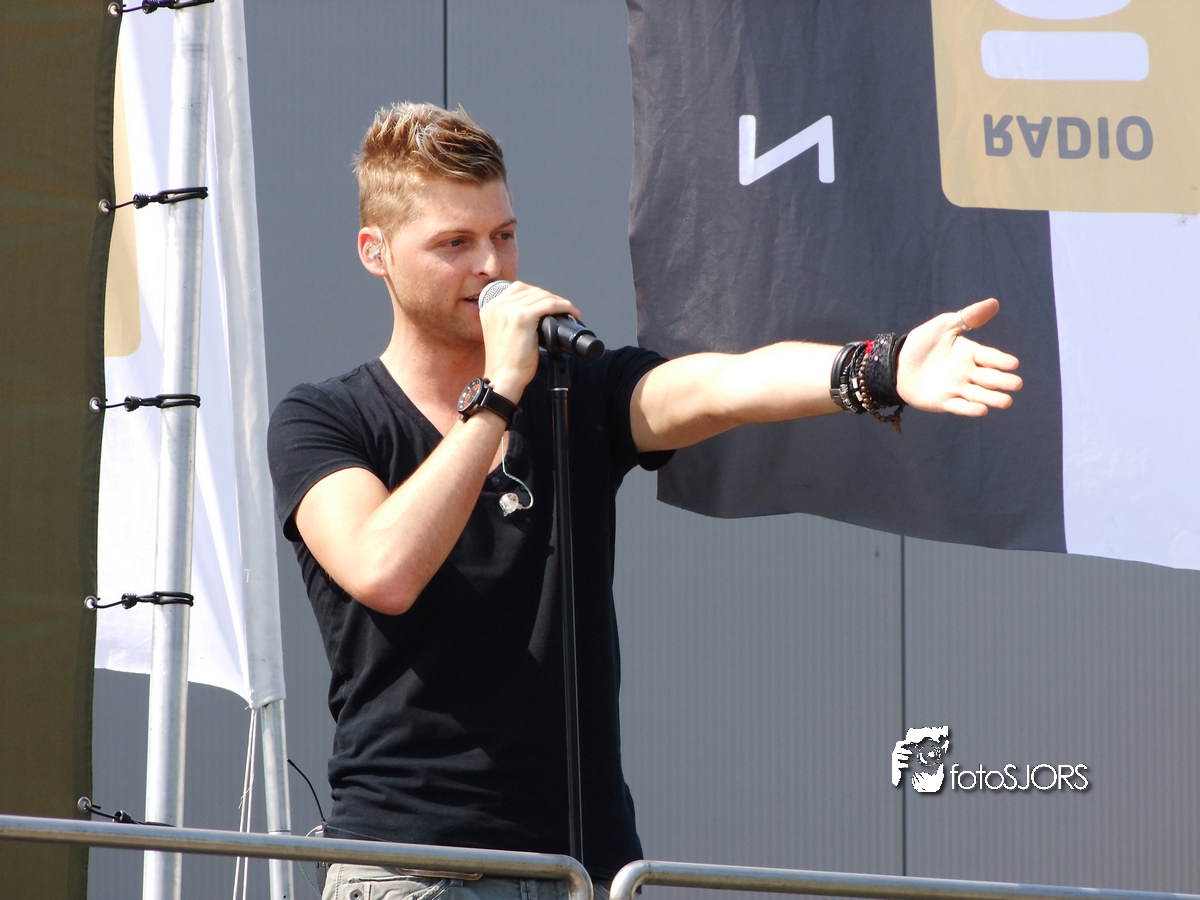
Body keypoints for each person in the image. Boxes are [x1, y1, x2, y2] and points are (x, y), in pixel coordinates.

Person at [267, 102, 1022, 900]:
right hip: (412, 867)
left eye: (505, 234)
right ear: (376, 253)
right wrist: (498, 393)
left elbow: (721, 385)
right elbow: (385, 569)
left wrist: (879, 369)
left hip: (584, 870)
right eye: (455, 243)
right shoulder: (326, 418)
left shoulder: (576, 389)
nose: (492, 265)